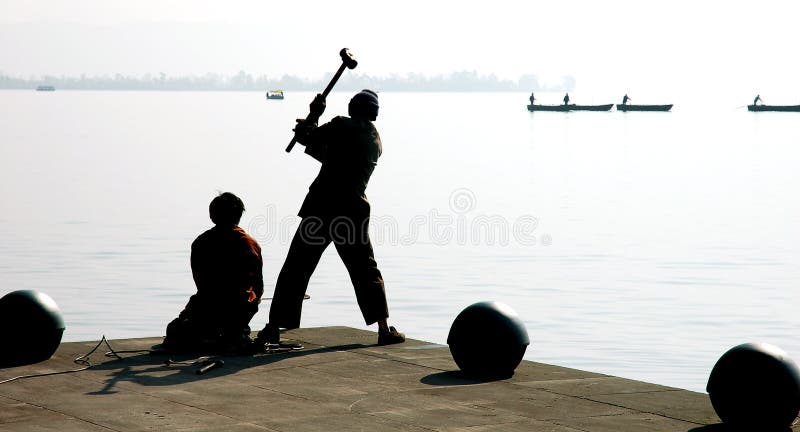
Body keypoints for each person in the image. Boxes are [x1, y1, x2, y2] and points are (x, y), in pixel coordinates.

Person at [256, 90, 405, 347]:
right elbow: (328, 153)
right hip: (352, 215)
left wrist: (315, 112)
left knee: (296, 269)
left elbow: (308, 137)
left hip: (321, 209)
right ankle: (383, 329)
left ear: (352, 107)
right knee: (365, 270)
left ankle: (273, 328)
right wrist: (311, 127)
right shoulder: (374, 141)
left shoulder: (340, 125)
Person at [163, 192, 264, 352]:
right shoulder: (249, 244)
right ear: (239, 215)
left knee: (175, 330)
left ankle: (208, 334)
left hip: (205, 307)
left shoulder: (200, 242)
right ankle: (232, 334)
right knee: (246, 304)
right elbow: (258, 286)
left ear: (212, 216)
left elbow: (201, 283)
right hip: (236, 309)